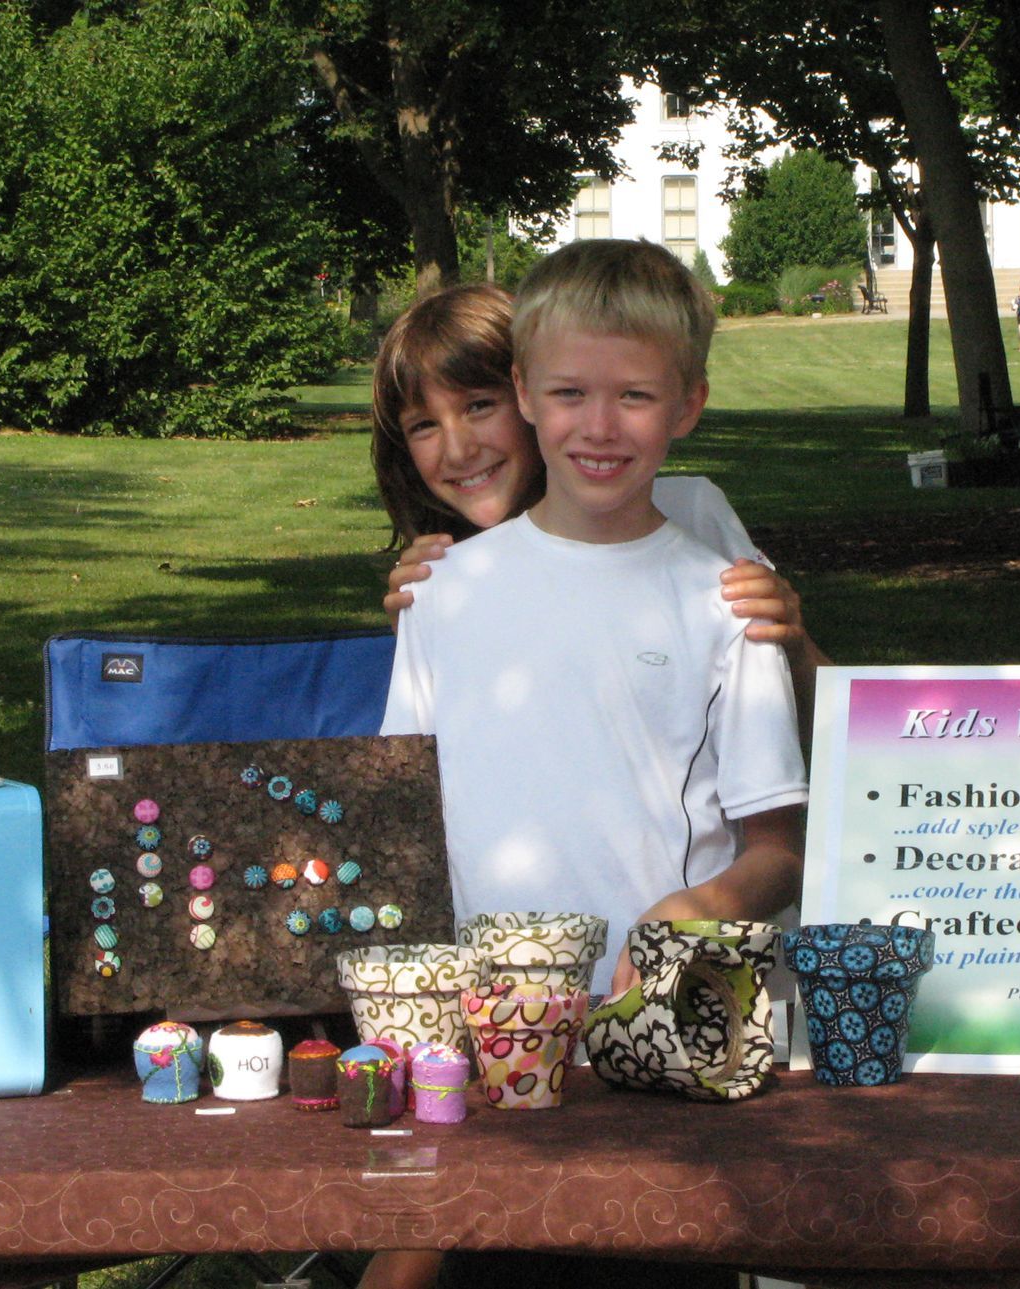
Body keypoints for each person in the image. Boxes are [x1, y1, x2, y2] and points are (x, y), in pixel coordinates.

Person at [368, 241, 807, 1289]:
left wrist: (705, 900)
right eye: (568, 393)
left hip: (669, 1039)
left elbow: (781, 845)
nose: (600, 426)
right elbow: (399, 821)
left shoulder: (724, 598)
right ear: (529, 394)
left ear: (688, 404)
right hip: (493, 1042)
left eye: (635, 397)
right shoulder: (440, 594)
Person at [371, 281, 830, 712]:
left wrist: (792, 644)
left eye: (479, 405)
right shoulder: (444, 574)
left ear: (533, 393)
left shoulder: (688, 512)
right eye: (424, 425)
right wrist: (419, 635)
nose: (458, 450)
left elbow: (840, 730)